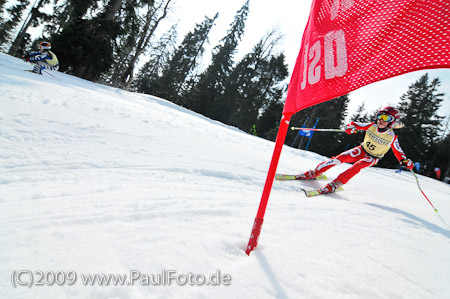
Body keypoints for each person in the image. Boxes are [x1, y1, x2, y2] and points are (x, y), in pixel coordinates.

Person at [296, 106, 414, 194]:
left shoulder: (392, 136)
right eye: (379, 116)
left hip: (373, 157)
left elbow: (399, 152)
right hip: (361, 149)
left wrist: (405, 162)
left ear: (392, 122)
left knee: (358, 165)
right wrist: (350, 128)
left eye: (385, 117)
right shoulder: (371, 126)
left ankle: (336, 183)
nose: (381, 120)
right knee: (339, 158)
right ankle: (315, 172)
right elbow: (353, 124)